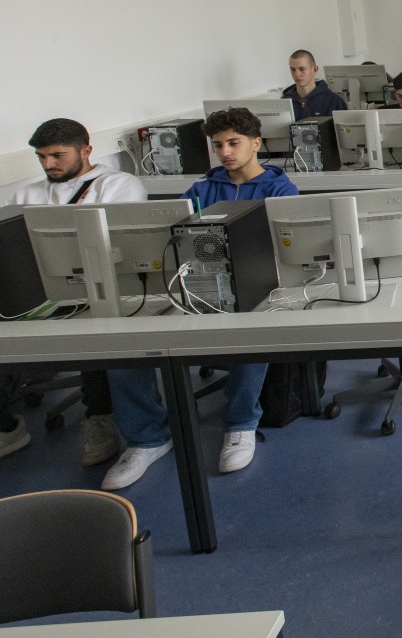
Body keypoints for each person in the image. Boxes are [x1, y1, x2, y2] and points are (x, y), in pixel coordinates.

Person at [102, 108, 298, 491]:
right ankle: (147, 438)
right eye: (218, 145)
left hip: (255, 287)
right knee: (123, 346)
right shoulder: (200, 190)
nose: (225, 152)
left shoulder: (280, 189)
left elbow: (281, 250)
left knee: (252, 333)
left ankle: (240, 424)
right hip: (193, 286)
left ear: (256, 144)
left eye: (233, 143)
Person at [0, 118, 147, 465]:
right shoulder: (24, 195)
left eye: (57, 155)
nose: (48, 164)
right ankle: (7, 426)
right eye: (41, 157)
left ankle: (100, 416)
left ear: (86, 150)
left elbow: (126, 247)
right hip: (36, 296)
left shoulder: (117, 186)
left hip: (99, 291)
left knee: (97, 326)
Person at [282, 49, 348, 121]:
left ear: (315, 69)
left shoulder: (334, 101)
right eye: (293, 70)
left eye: (302, 69)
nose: (297, 74)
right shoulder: (283, 103)